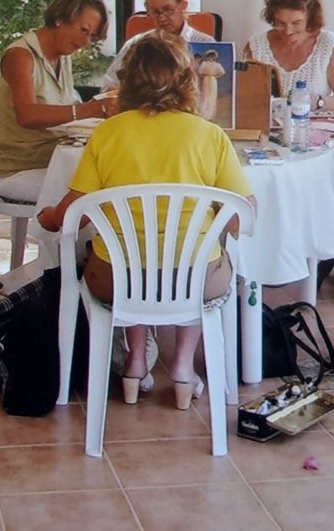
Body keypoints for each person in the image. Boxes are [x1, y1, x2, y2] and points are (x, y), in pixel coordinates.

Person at [37, 32, 254, 410]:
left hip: (118, 280)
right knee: (198, 259)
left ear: (127, 83)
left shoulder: (107, 134)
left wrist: (51, 217)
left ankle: (136, 361)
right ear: (187, 81)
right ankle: (184, 368)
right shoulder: (210, 136)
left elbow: (76, 211)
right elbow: (241, 216)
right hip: (195, 281)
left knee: (130, 256)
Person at [0, 0, 117, 202]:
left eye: (92, 36)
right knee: (94, 190)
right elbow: (27, 115)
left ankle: (76, 236)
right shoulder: (20, 57)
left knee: (110, 175)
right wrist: (89, 110)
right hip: (21, 168)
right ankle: (68, 236)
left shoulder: (62, 57)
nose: (86, 42)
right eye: (84, 31)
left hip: (51, 160)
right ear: (60, 17)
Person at [242, 0, 334, 111]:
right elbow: (241, 99)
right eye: (280, 23)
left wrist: (316, 101)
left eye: (296, 23)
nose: (288, 31)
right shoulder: (256, 46)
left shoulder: (328, 44)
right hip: (265, 128)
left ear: (310, 17)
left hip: (314, 129)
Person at [100, 0, 215, 90]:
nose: (162, 18)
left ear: (183, 4)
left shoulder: (206, 44)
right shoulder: (135, 45)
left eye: (168, 10)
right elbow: (108, 86)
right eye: (155, 11)